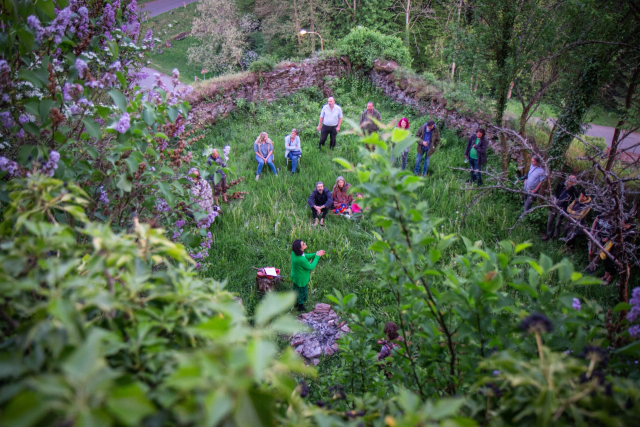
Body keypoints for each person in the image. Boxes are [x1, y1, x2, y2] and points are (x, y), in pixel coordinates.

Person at [290, 239, 325, 311]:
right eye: (303, 244)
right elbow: (311, 267)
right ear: (300, 248)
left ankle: (295, 303)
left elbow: (305, 256)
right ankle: (300, 307)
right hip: (301, 279)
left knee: (296, 290)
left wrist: (316, 254)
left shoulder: (294, 253)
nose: (305, 244)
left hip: (295, 277)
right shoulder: (301, 260)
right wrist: (317, 257)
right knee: (302, 292)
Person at [542, 175, 578, 241]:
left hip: (562, 209)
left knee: (558, 224)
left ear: (573, 183)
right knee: (550, 221)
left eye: (570, 181)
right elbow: (556, 194)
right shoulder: (561, 185)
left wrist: (566, 210)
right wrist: (554, 202)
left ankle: (554, 238)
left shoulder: (574, 191)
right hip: (555, 205)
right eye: (568, 180)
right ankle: (548, 234)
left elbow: (572, 202)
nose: (568, 182)